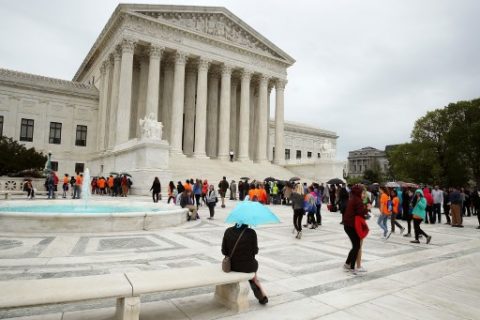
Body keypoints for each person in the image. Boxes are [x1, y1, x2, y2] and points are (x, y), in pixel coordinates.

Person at [221, 223, 268, 305]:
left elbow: (224, 251)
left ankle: (260, 292)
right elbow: (255, 251)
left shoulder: (228, 231)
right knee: (252, 273)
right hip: (248, 266)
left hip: (231, 266)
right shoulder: (251, 233)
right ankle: (261, 295)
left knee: (246, 266)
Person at [343, 185, 369, 273]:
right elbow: (360, 213)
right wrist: (367, 209)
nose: (363, 194)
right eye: (362, 192)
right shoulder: (358, 200)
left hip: (347, 225)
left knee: (355, 245)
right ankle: (352, 267)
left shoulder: (353, 198)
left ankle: (347, 264)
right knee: (357, 246)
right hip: (351, 225)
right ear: (358, 193)